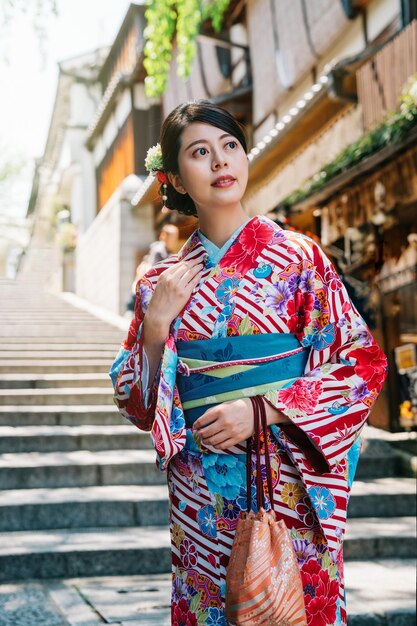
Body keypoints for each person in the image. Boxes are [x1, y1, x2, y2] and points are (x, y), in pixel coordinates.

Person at [110, 100, 387, 626]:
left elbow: (360, 361)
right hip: (199, 488)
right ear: (174, 178)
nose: (221, 162)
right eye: (200, 152)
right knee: (210, 606)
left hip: (286, 477)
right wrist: (154, 329)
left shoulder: (298, 257)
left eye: (230, 146)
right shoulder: (157, 286)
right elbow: (140, 405)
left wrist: (262, 409)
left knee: (291, 606)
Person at [125, 225, 179, 314]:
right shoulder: (159, 251)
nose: (175, 241)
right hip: (147, 287)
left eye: (176, 237)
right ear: (164, 236)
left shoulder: (166, 252)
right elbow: (155, 271)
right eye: (173, 238)